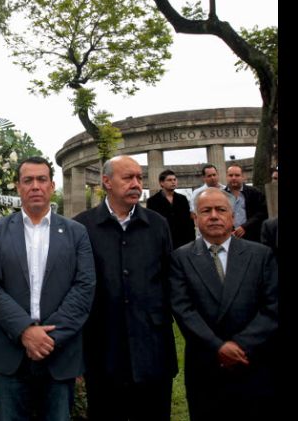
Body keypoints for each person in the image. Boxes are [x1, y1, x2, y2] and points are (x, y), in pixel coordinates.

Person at [0, 156, 96, 420]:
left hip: (59, 353)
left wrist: (48, 338)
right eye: (28, 180)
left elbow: (84, 287)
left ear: (52, 186)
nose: (35, 186)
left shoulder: (76, 232)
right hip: (9, 355)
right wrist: (24, 331)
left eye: (42, 179)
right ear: (18, 187)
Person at [73, 155, 177, 421]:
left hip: (152, 348)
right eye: (128, 177)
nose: (136, 184)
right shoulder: (81, 226)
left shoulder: (157, 224)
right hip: (103, 349)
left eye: (139, 177)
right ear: (106, 181)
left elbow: (169, 280)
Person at [170, 188, 278, 421]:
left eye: (221, 210)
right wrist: (218, 347)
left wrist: (240, 345)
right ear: (195, 218)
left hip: (253, 362)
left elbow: (273, 306)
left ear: (233, 216)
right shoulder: (180, 258)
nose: (214, 216)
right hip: (206, 366)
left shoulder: (261, 255)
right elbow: (183, 309)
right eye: (206, 210)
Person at [147, 169, 196, 250]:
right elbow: (152, 224)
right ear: (161, 183)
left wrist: (192, 241)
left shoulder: (182, 199)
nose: (173, 182)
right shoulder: (152, 201)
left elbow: (189, 222)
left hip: (183, 243)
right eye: (169, 180)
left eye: (174, 179)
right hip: (162, 243)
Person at [224, 164, 268, 243]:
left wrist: (245, 227)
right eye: (230, 175)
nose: (233, 178)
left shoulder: (254, 193)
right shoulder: (220, 196)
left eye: (237, 175)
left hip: (252, 237)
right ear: (226, 177)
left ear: (243, 177)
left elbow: (262, 213)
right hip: (228, 238)